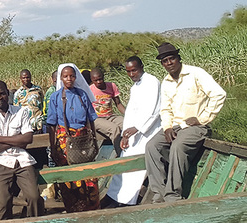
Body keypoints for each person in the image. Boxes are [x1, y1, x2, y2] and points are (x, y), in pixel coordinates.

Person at [145, 42, 226, 203]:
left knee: (178, 146)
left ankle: (173, 195)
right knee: (151, 146)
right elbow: (165, 109)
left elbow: (219, 94)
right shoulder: (166, 82)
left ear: (178, 58)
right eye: (165, 61)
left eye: (171, 59)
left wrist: (202, 118)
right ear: (162, 64)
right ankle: (159, 194)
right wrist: (167, 127)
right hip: (175, 125)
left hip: (196, 127)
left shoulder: (196, 73)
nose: (169, 63)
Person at [0, 80, 44, 220]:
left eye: (2, 93)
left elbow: (27, 139)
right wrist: (16, 141)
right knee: (3, 201)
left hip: (22, 160)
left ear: (8, 94)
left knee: (34, 197)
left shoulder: (21, 111)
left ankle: (33, 220)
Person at [105, 56, 162, 206]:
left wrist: (137, 128)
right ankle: (114, 197)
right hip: (134, 133)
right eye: (128, 71)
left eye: (134, 70)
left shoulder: (151, 82)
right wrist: (125, 135)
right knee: (124, 162)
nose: (131, 74)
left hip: (148, 132)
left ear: (141, 67)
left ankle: (127, 201)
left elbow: (154, 111)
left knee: (135, 168)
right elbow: (130, 113)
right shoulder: (135, 86)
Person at [45, 63, 100, 213]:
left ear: (76, 77)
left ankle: (92, 209)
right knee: (70, 177)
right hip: (64, 142)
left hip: (83, 141)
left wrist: (94, 140)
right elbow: (51, 124)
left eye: (71, 76)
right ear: (61, 79)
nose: (69, 79)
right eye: (65, 76)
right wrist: (52, 147)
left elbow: (91, 119)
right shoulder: (56, 97)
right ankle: (74, 210)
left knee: (89, 176)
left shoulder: (82, 95)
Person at [89, 67, 126, 155]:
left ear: (103, 77)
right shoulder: (89, 90)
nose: (98, 82)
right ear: (92, 80)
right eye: (95, 80)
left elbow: (118, 104)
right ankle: (121, 154)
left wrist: (129, 115)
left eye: (100, 79)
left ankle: (132, 150)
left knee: (127, 123)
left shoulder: (111, 86)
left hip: (110, 116)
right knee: (114, 129)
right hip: (97, 119)